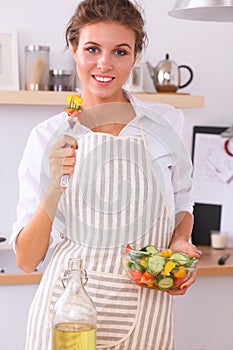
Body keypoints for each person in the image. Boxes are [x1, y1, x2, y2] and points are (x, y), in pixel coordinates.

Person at [11, 0, 200, 349]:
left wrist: (178, 244)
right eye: (93, 49)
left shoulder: (167, 123)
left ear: (135, 56)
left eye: (120, 52)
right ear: (74, 50)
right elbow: (25, 259)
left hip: (148, 308)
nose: (104, 64)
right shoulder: (46, 136)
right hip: (67, 316)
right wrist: (56, 183)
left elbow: (182, 203)